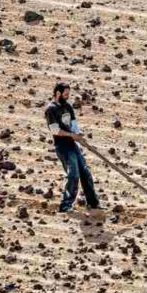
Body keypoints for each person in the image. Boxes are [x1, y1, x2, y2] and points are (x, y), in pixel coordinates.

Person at [45, 82, 100, 212]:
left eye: (68, 94)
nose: (68, 96)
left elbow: (74, 125)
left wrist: (79, 134)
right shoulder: (50, 109)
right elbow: (55, 130)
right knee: (73, 174)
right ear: (58, 93)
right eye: (65, 94)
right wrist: (71, 135)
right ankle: (66, 205)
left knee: (85, 173)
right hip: (62, 147)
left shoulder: (68, 107)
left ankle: (93, 203)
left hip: (72, 145)